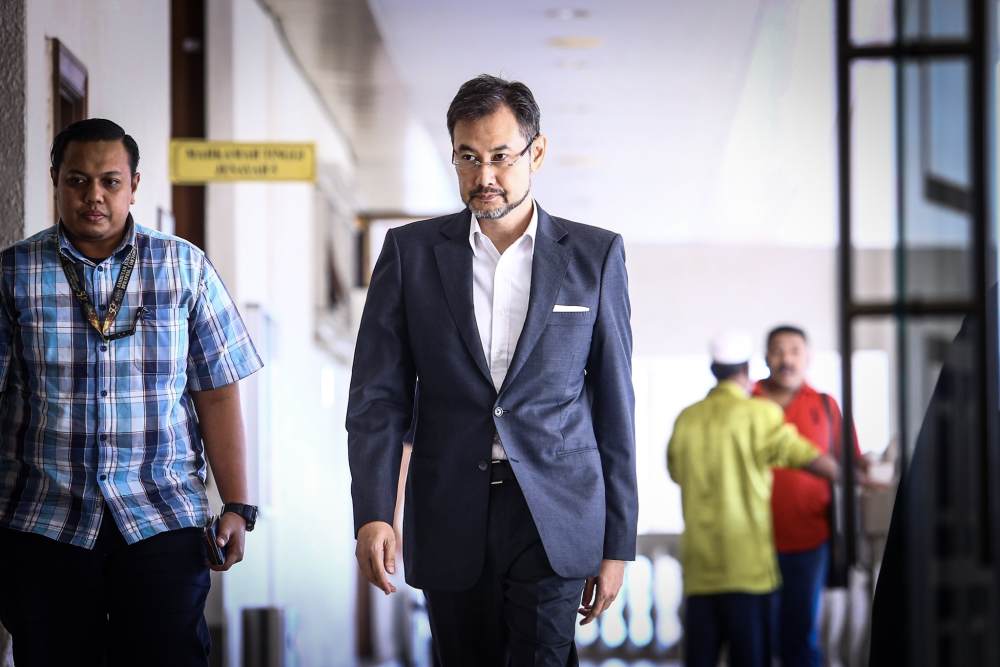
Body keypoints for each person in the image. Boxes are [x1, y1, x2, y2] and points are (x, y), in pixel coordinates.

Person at [346, 74, 637, 666]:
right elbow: (378, 398)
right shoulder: (410, 254)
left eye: (501, 157)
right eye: (468, 157)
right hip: (450, 507)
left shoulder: (594, 255)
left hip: (553, 512)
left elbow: (614, 403)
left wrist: (618, 542)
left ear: (537, 152)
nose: (485, 177)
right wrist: (374, 511)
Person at [0, 118, 262, 667]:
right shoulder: (15, 273)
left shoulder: (183, 267)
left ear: (134, 185)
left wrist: (237, 504)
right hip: (44, 520)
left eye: (109, 182)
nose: (93, 195)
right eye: (77, 181)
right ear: (55, 180)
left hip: (161, 516)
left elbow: (217, 390)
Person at [667, 332, 838, 667]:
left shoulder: (687, 418)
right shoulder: (761, 414)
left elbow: (675, 471)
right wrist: (853, 474)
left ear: (714, 369)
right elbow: (802, 454)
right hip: (749, 572)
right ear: (747, 370)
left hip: (700, 571)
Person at [754, 325, 868, 666]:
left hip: (810, 541)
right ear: (765, 356)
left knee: (802, 637)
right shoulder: (746, 401)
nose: (786, 359)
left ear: (808, 357)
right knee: (756, 639)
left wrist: (874, 469)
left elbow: (853, 463)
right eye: (778, 350)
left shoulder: (826, 405)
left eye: (794, 350)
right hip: (751, 543)